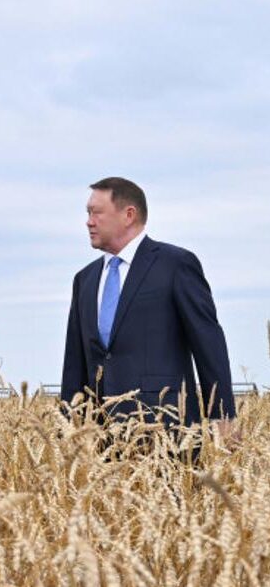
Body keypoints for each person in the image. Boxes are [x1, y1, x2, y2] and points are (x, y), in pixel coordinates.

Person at [61, 177, 234, 429]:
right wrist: (68, 426)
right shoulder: (84, 279)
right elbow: (74, 362)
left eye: (96, 212)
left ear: (128, 215)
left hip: (166, 426)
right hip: (100, 433)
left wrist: (223, 414)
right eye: (88, 213)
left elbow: (208, 343)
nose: (89, 221)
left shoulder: (175, 265)